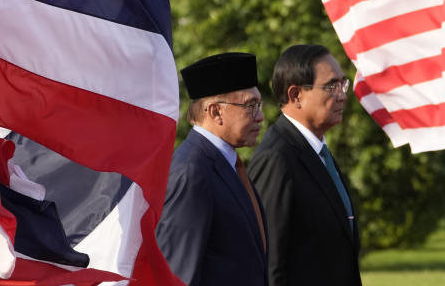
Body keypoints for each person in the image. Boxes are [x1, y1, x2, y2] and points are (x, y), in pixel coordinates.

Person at [248, 44, 362, 286]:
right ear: (295, 95)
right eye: (332, 86)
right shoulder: (277, 158)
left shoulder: (318, 152)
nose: (342, 94)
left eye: (343, 84)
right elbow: (269, 264)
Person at [155, 52, 268, 286]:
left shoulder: (227, 163)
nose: (261, 117)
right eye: (250, 106)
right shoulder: (192, 172)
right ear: (215, 112)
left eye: (259, 105)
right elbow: (178, 276)